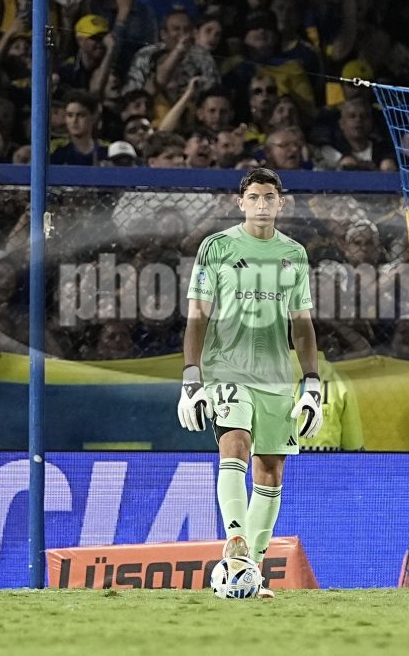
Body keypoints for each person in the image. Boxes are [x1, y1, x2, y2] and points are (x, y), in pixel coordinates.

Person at [177, 167, 323, 598]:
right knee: (236, 443)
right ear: (240, 203)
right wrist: (191, 377)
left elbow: (302, 324)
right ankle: (235, 539)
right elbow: (198, 315)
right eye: (254, 197)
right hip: (226, 368)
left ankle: (249, 572)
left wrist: (312, 383)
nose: (262, 204)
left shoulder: (294, 253)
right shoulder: (217, 247)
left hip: (276, 377)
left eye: (269, 197)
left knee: (271, 471)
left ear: (281, 203)